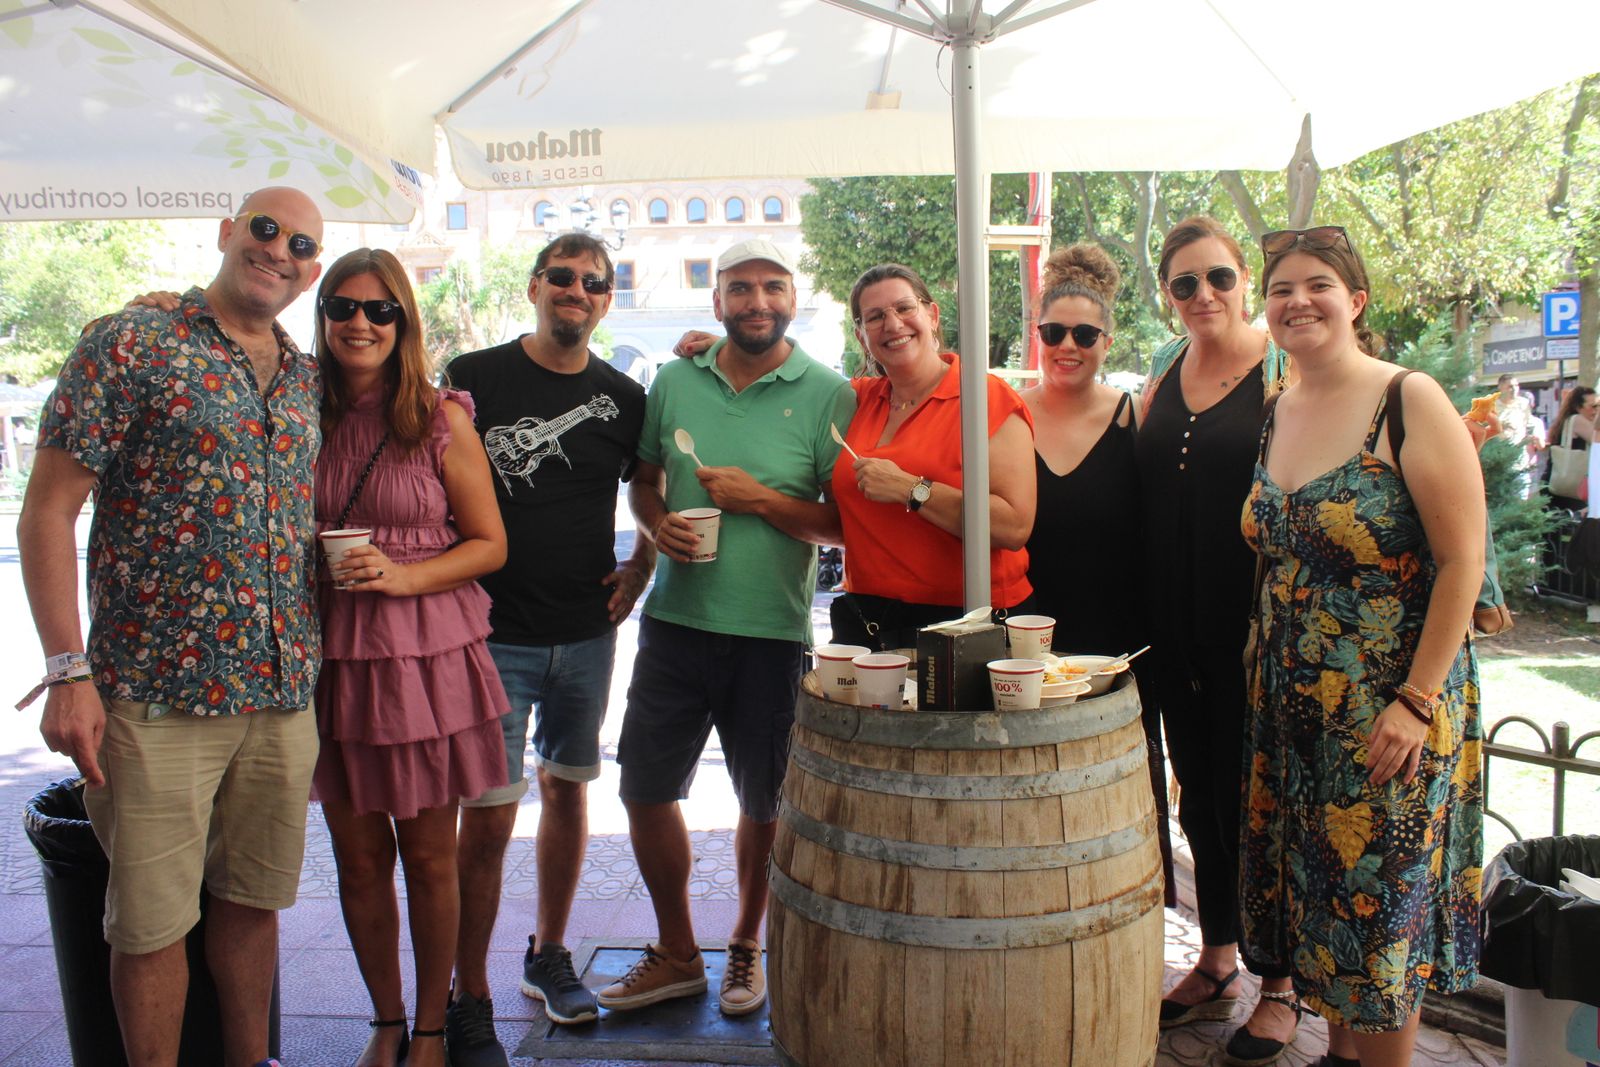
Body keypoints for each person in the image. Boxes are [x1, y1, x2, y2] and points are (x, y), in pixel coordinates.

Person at [17, 188, 326, 1067]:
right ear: (226, 233)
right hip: (156, 696)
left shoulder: (305, 378)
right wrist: (67, 670)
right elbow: (46, 512)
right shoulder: (132, 342)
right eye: (264, 229)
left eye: (301, 243)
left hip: (278, 692)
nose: (279, 250)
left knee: (252, 902)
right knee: (149, 922)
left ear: (309, 270)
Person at [1240, 225, 1484, 1067]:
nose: (1296, 300)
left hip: (1388, 706)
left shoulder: (1407, 400)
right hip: (1296, 707)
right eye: (1279, 290)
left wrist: (1415, 702)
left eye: (1317, 285)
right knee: (1329, 911)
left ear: (1357, 301)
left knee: (1376, 926)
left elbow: (1463, 561)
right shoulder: (1280, 408)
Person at [600, 238, 854, 1017]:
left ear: (793, 297)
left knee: (766, 799)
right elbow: (644, 480)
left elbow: (841, 523)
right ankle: (678, 949)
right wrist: (659, 522)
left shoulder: (826, 392)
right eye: (739, 289)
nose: (756, 302)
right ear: (716, 303)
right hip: (675, 621)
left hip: (773, 631)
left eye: (772, 287)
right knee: (643, 785)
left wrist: (762, 502)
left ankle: (747, 940)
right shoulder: (676, 378)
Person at [443, 233, 651, 1059]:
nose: (576, 290)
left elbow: (651, 485)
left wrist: (642, 563)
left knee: (568, 793)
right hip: (492, 634)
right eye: (561, 277)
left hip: (586, 633)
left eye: (593, 282)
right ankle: (469, 992)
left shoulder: (623, 396)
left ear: (608, 299)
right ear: (535, 286)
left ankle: (549, 953)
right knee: (487, 819)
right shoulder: (473, 376)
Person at [303, 248, 510, 1067]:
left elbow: (492, 543)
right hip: (329, 654)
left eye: (380, 309)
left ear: (404, 322)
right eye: (343, 306)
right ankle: (385, 1020)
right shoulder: (295, 406)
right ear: (322, 317)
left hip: (425, 657)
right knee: (357, 858)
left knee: (428, 855)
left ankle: (431, 1024)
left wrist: (402, 575)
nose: (360, 321)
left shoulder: (439, 416)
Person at [1136, 215, 1298, 1064]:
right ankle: (1219, 956)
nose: (1204, 296)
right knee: (1200, 795)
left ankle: (1281, 985)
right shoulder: (1164, 370)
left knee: (1258, 803)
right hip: (1173, 631)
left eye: (1219, 278)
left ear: (1245, 280)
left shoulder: (1285, 368)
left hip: (1254, 632)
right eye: (1185, 283)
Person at [1019, 242, 1173, 906]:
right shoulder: (1006, 413)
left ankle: (1135, 925)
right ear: (1038, 336)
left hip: (1121, 641)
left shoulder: (1136, 417)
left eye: (1085, 334)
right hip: (1025, 637)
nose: (1068, 345)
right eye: (1055, 332)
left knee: (1127, 788)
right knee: (1029, 791)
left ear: (1107, 341)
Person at [829, 263, 1036, 648]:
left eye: (904, 308)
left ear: (932, 315)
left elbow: (1013, 527)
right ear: (861, 336)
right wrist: (724, 348)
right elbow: (792, 372)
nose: (892, 324)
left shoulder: (985, 397)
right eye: (875, 317)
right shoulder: (858, 398)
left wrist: (910, 488)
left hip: (970, 620)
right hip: (867, 619)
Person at [1545, 384, 1596, 511]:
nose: (1596, 410)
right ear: (1578, 407)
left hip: (1559, 488)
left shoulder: (1567, 421)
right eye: (1593, 406)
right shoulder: (1577, 420)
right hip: (1570, 492)